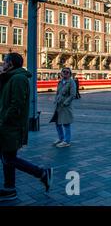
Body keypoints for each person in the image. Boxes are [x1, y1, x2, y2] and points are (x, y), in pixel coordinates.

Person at [0, 53, 53, 201]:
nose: (2, 64)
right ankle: (10, 188)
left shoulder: (18, 79)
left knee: (9, 158)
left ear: (10, 63)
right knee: (7, 157)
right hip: (7, 127)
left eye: (4, 62)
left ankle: (42, 173)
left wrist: (3, 120)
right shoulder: (11, 77)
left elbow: (16, 105)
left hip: (11, 127)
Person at [53, 67, 77, 148]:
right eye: (64, 72)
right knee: (57, 123)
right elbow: (58, 92)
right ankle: (61, 138)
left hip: (66, 106)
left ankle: (67, 141)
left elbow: (73, 95)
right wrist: (56, 100)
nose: (65, 73)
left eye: (67, 72)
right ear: (61, 73)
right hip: (58, 105)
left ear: (70, 74)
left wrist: (65, 103)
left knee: (66, 124)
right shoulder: (60, 82)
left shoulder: (71, 82)